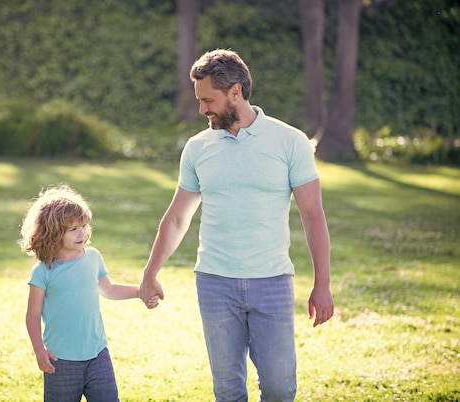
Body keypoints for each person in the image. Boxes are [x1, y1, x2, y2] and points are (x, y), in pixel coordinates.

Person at [138, 49, 334, 402]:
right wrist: (151, 271)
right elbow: (178, 216)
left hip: (271, 282)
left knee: (279, 388)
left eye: (207, 100)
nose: (201, 110)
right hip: (214, 282)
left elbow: (312, 214)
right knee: (227, 390)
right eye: (199, 100)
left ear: (235, 92)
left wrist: (323, 284)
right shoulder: (198, 148)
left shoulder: (290, 141)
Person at [20, 184, 157, 402]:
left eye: (84, 225)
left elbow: (109, 289)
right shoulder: (43, 271)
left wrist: (140, 292)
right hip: (61, 360)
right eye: (73, 229)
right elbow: (33, 315)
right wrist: (39, 350)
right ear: (54, 232)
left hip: (97, 354)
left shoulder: (93, 258)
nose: (82, 232)